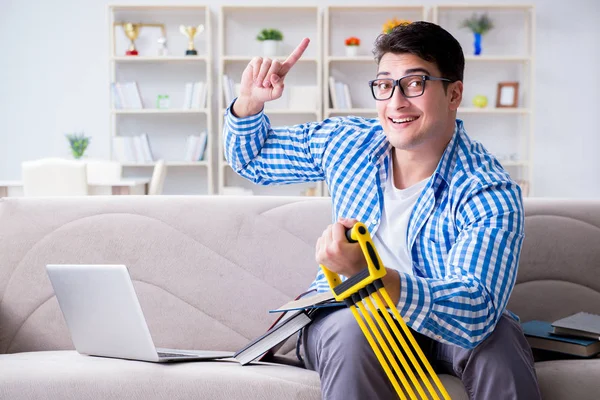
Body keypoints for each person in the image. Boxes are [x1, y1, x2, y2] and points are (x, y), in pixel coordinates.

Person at [223, 21, 541, 400]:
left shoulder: (487, 188)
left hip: (442, 328)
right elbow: (253, 158)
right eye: (385, 84)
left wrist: (370, 275)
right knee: (356, 330)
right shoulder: (348, 143)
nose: (396, 102)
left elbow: (476, 307)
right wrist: (249, 103)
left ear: (454, 94)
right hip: (349, 318)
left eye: (415, 84)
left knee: (500, 338)